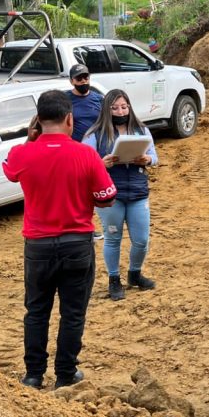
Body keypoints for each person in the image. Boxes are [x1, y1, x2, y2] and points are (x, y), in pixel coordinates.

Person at [3, 89, 117, 390]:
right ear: (70, 118)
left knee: (37, 310)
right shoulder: (85, 154)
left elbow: (11, 173)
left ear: (38, 121)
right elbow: (107, 196)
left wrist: (30, 140)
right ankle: (66, 373)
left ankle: (33, 374)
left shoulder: (22, 153)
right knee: (73, 312)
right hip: (76, 243)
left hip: (38, 245)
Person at [82, 89, 158, 301]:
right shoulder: (94, 134)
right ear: (107, 110)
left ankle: (135, 274)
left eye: (124, 107)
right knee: (113, 237)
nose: (120, 111)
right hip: (109, 194)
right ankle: (114, 280)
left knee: (141, 240)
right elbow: (83, 162)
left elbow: (154, 156)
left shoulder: (140, 129)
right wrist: (100, 163)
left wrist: (147, 160)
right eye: (115, 108)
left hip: (137, 191)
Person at [68, 64, 104, 142]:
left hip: (96, 145)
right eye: (79, 78)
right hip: (75, 145)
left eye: (86, 77)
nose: (83, 81)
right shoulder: (64, 99)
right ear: (71, 81)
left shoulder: (99, 99)